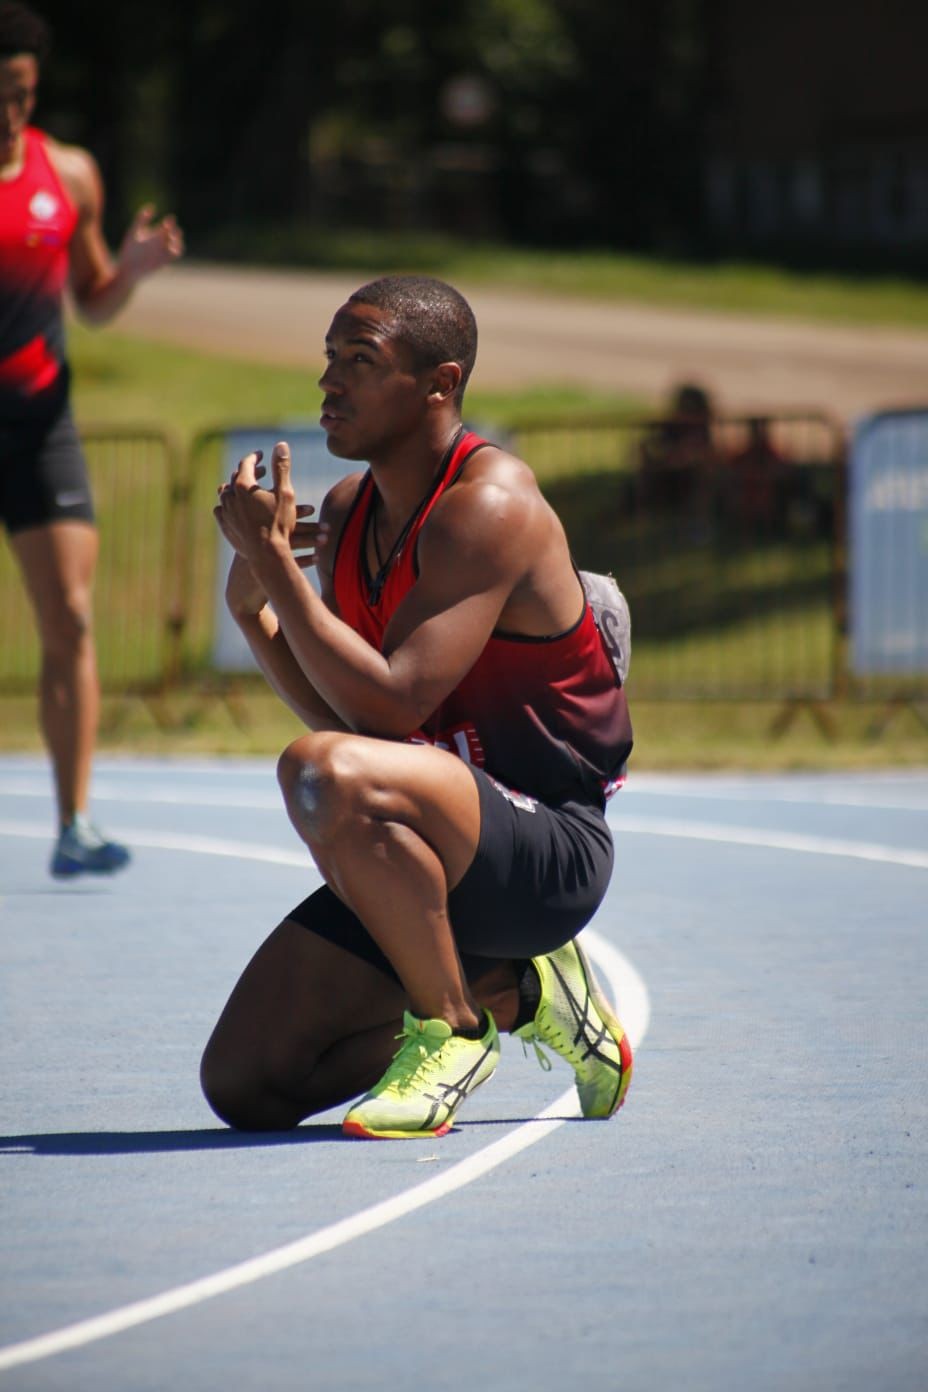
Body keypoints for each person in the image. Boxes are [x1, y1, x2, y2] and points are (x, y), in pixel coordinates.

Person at [203, 274, 634, 1140]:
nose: (330, 383)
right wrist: (254, 610)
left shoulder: (491, 508)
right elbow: (354, 721)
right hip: (434, 842)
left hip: (545, 849)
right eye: (329, 358)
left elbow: (393, 711)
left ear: (440, 384)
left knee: (316, 772)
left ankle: (453, 1031)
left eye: (359, 362)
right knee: (247, 1083)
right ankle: (522, 992)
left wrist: (280, 571)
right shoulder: (352, 511)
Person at [0, 1, 183, 877]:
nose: (8, 112)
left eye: (20, 93)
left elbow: (95, 298)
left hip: (39, 423)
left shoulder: (68, 175)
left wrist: (137, 272)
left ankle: (74, 824)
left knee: (70, 618)